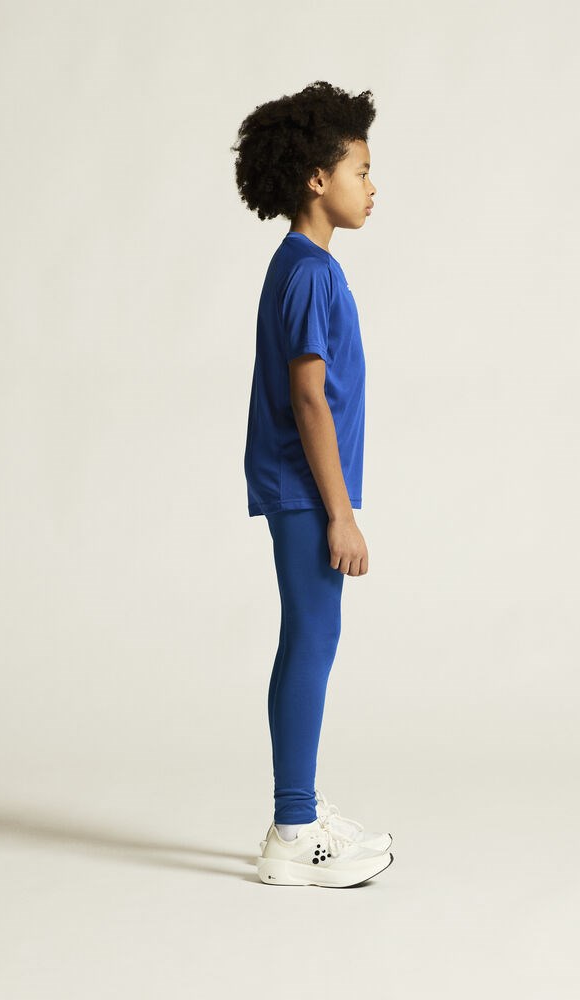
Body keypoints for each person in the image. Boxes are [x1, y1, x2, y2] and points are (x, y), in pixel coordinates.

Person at [231, 81, 394, 887]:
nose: (373, 186)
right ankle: (293, 831)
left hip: (302, 486)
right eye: (360, 170)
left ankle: (297, 810)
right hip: (304, 489)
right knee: (313, 638)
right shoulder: (307, 273)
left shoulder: (307, 267)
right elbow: (308, 399)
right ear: (317, 179)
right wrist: (341, 515)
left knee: (308, 636)